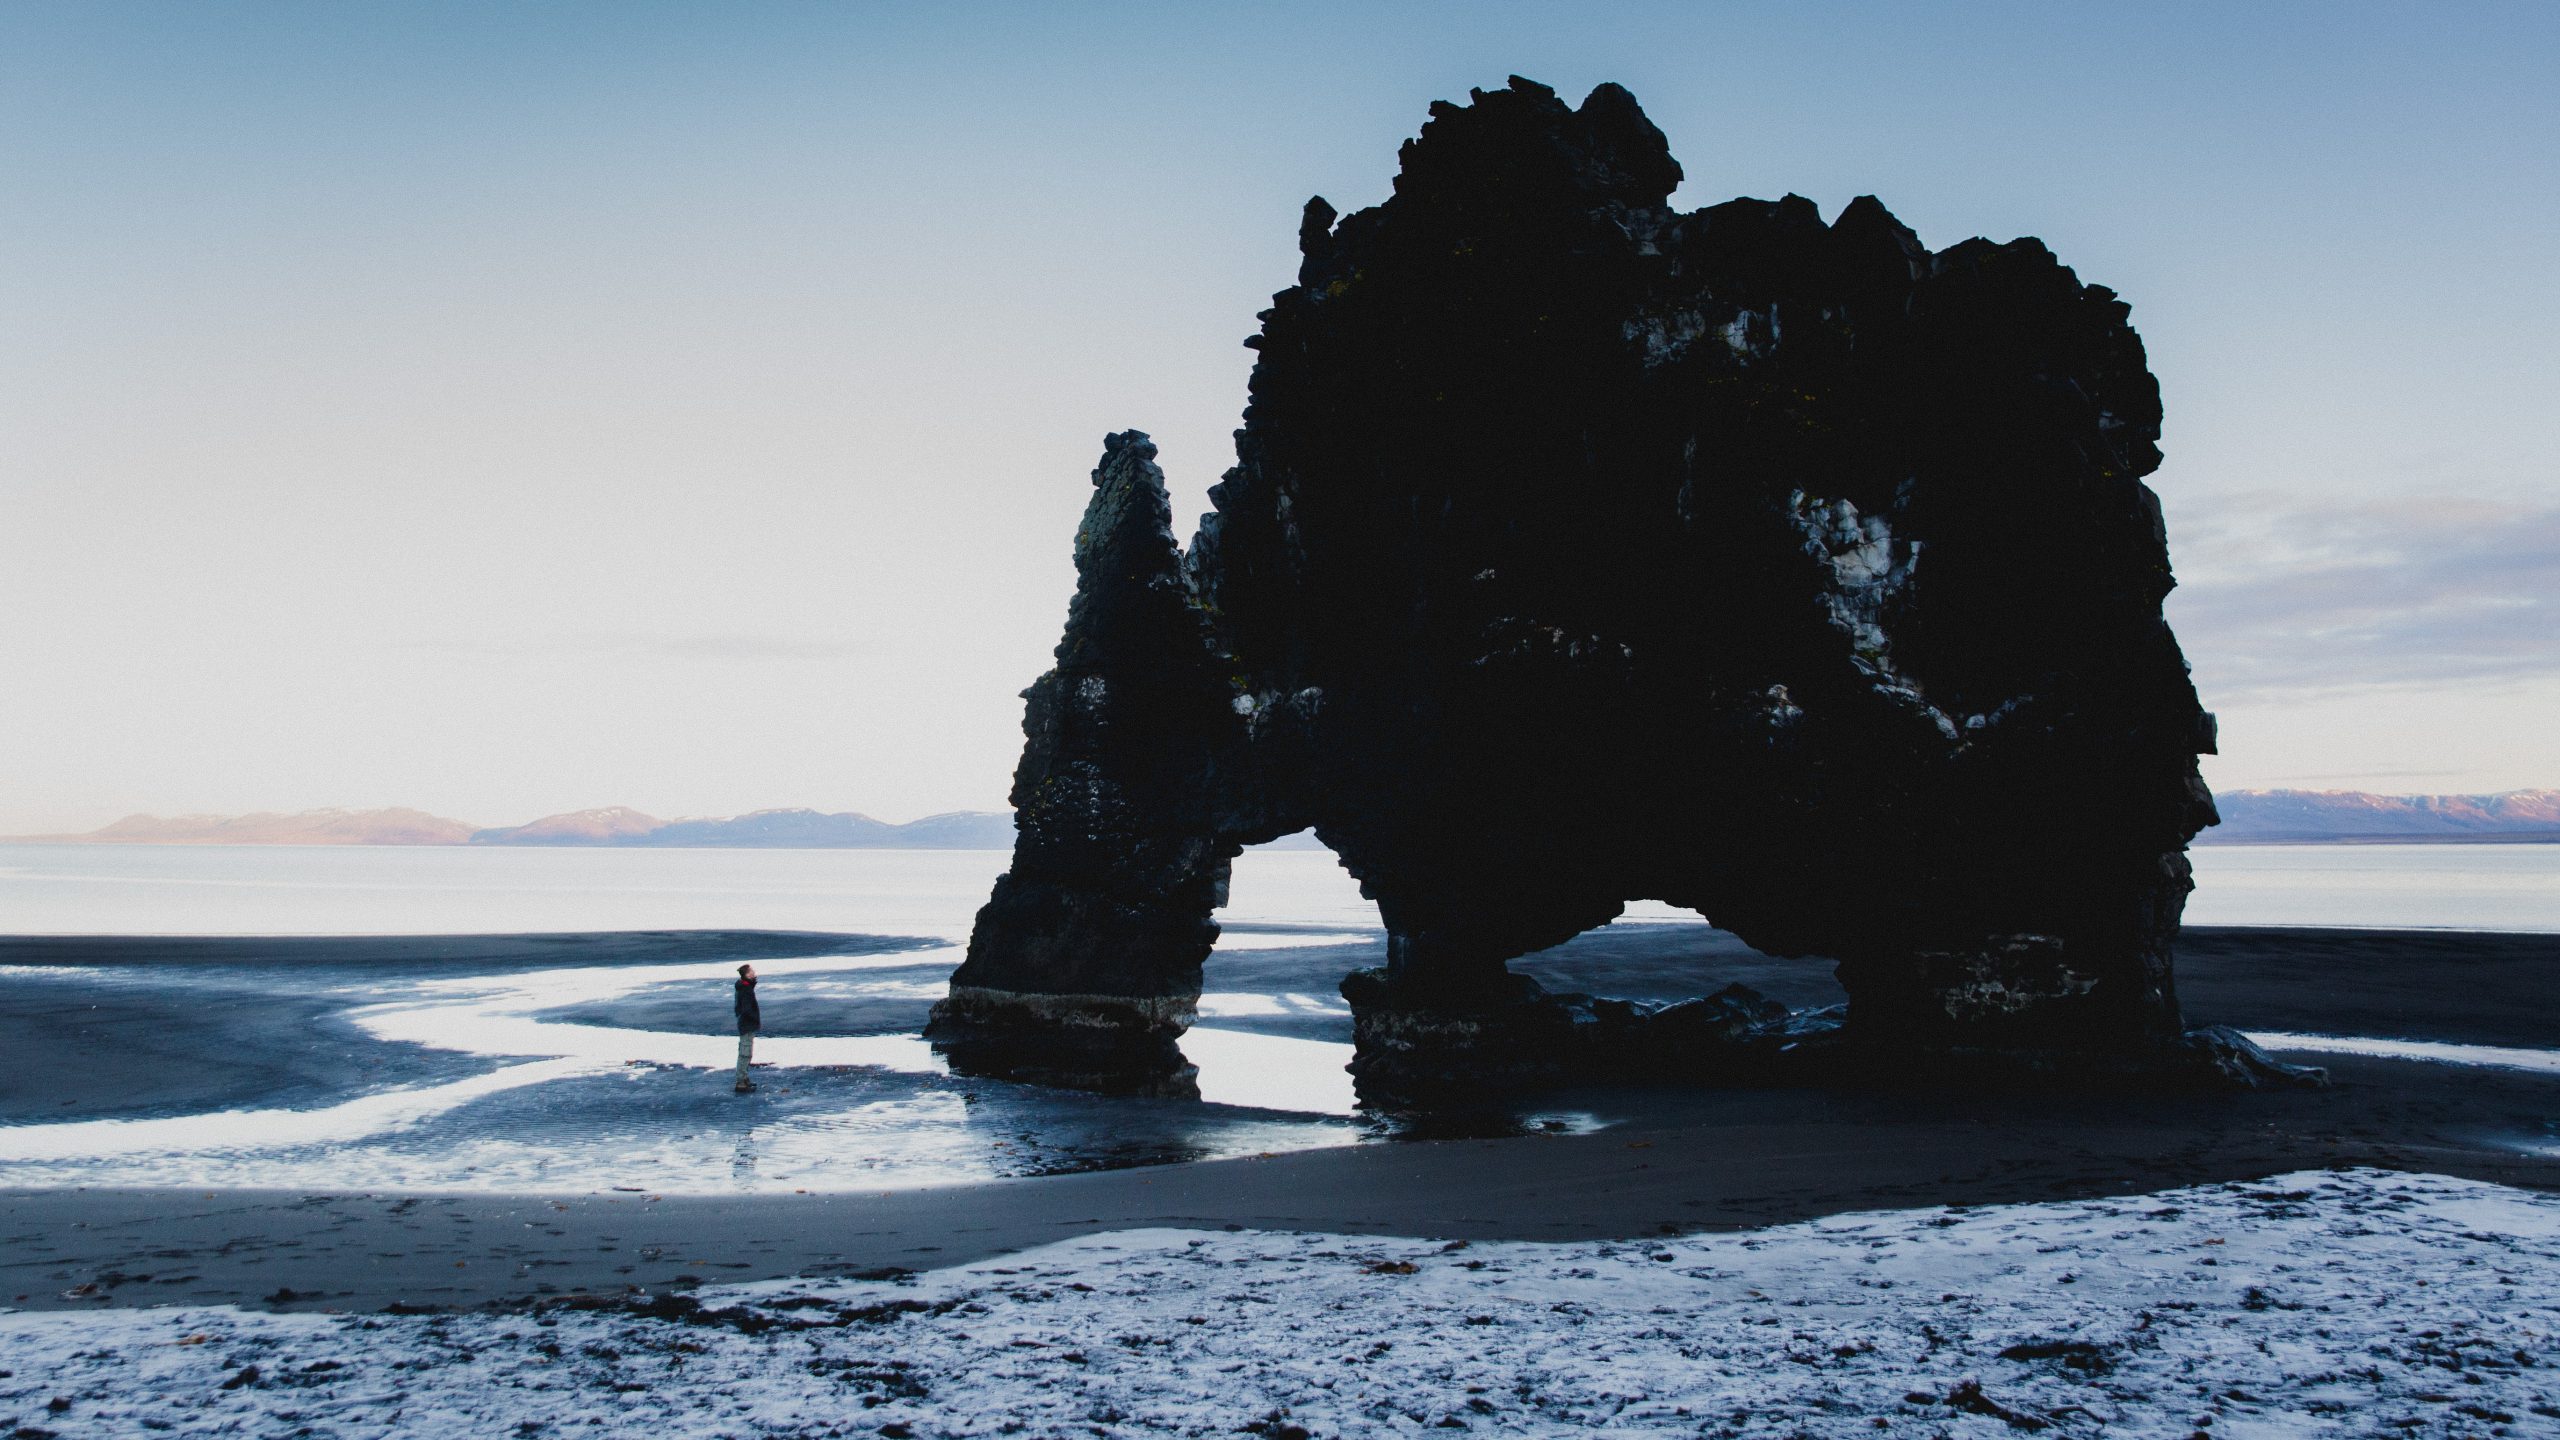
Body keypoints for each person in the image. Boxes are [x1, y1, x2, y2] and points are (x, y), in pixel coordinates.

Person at [732, 963, 761, 1093]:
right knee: (745, 1052)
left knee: (746, 1051)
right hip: (746, 1024)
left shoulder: (746, 987)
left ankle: (744, 1078)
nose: (754, 973)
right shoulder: (745, 989)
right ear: (747, 974)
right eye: (752, 971)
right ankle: (741, 1081)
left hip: (747, 1023)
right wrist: (753, 1018)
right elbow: (745, 1008)